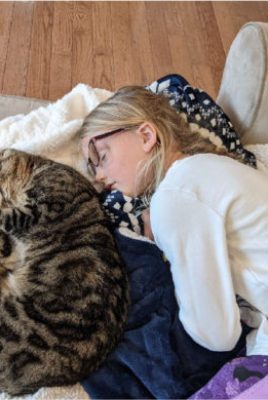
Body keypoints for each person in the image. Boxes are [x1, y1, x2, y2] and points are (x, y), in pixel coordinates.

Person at [78, 86, 268, 357]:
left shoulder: (175, 195)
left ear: (146, 135)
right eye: (91, 168)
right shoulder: (207, 169)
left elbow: (216, 334)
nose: (98, 177)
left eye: (101, 157)